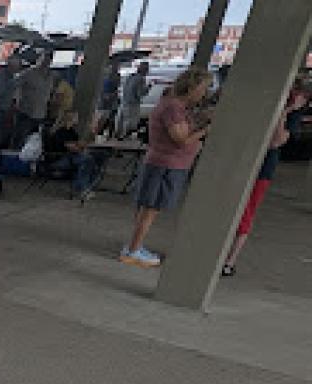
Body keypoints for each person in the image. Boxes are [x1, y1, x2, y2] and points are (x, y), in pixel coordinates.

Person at [120, 68, 214, 268]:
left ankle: (135, 246)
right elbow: (180, 139)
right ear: (193, 87)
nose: (205, 93)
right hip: (166, 164)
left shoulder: (176, 106)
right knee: (150, 208)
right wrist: (204, 131)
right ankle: (133, 250)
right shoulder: (173, 108)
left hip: (166, 164)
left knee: (149, 208)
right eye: (204, 88)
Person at [222, 80, 309, 276]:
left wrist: (284, 113)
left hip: (263, 168)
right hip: (243, 160)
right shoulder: (264, 107)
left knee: (248, 210)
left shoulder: (292, 116)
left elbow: (276, 142)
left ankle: (230, 259)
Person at [43, 111, 106, 200]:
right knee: (87, 159)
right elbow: (74, 148)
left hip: (70, 156)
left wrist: (91, 133)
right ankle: (84, 189)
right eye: (76, 117)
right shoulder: (61, 132)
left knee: (98, 156)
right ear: (69, 119)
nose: (78, 119)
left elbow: (80, 144)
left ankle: (82, 186)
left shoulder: (71, 131)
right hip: (58, 159)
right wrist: (82, 146)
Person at [13, 51, 55, 148]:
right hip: (26, 112)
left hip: (40, 114)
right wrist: (16, 99)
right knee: (20, 139)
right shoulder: (28, 73)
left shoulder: (51, 76)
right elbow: (14, 84)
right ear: (38, 59)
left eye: (48, 60)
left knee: (33, 141)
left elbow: (50, 93)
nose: (45, 62)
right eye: (43, 59)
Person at [116, 61, 150, 139]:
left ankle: (118, 134)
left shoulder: (130, 76)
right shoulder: (140, 79)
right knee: (130, 120)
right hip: (133, 103)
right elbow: (140, 93)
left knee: (121, 119)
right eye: (147, 69)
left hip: (124, 100)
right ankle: (124, 136)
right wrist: (148, 87)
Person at [95, 64, 122, 138]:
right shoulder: (106, 80)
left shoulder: (107, 78)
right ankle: (100, 132)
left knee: (110, 118)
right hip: (106, 102)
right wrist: (113, 94)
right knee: (104, 118)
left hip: (110, 102)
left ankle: (108, 133)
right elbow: (105, 94)